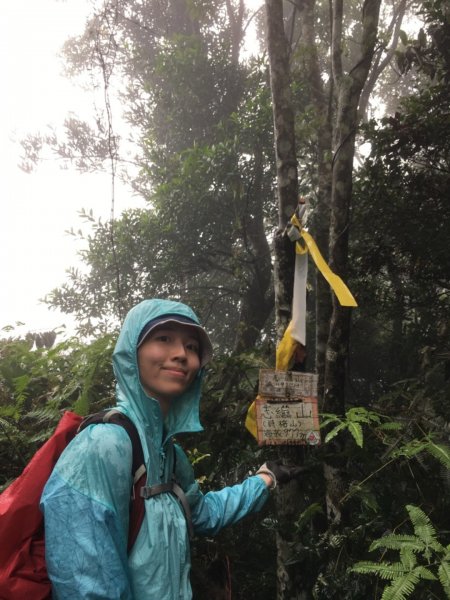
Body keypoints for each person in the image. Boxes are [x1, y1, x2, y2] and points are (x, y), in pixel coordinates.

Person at [40, 298, 300, 599]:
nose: (180, 354)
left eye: (191, 347)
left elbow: (201, 513)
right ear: (131, 353)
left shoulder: (169, 455)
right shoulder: (103, 446)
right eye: (164, 339)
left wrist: (264, 480)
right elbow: (85, 587)